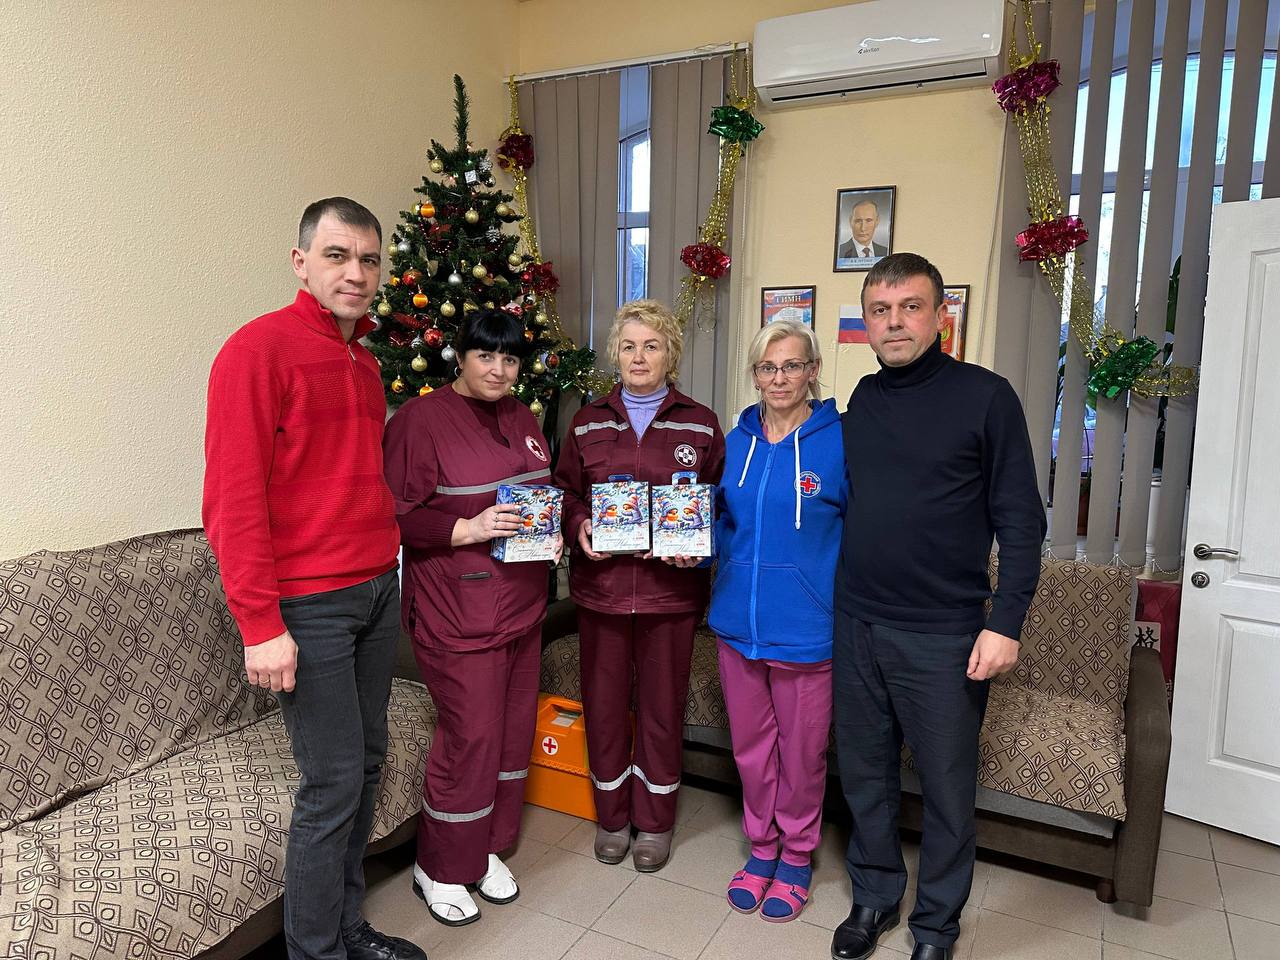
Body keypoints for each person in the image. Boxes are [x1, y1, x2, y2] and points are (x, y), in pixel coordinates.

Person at [203, 197, 425, 960]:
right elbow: (231, 499)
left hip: (377, 589)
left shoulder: (366, 360)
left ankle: (345, 928)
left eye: (369, 260)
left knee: (366, 766)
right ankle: (315, 952)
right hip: (311, 606)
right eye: (337, 255)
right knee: (331, 783)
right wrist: (260, 624)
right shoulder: (257, 350)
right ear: (301, 263)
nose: (356, 273)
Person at [830, 253, 1046, 960]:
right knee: (865, 775)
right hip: (856, 621)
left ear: (940, 315)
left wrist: (1005, 622)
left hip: (944, 634)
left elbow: (1022, 521)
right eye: (881, 310)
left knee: (948, 791)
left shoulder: (986, 396)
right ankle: (874, 896)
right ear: (867, 322)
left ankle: (935, 928)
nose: (895, 322)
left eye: (910, 307)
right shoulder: (863, 399)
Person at [382, 309, 562, 928]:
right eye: (486, 355)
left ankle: (484, 848)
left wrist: (549, 535)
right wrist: (466, 527)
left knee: (511, 736)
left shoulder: (522, 417)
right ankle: (439, 866)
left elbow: (536, 497)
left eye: (510, 359)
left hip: (522, 606)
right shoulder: (418, 422)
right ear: (459, 356)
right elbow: (393, 514)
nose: (499, 369)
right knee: (472, 738)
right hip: (457, 612)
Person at [552, 299, 725, 872]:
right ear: (615, 354)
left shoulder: (700, 422)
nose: (639, 356)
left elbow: (718, 503)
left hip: (670, 596)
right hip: (601, 593)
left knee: (660, 709)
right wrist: (579, 526)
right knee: (603, 708)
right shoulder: (588, 421)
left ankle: (654, 821)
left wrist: (694, 541)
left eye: (651, 345)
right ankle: (612, 816)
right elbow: (566, 493)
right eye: (628, 346)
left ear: (670, 353)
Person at [709, 319, 846, 923]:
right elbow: (720, 522)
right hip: (736, 625)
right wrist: (697, 550)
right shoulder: (735, 441)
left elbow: (861, 531)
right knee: (751, 750)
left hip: (808, 631)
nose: (780, 378)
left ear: (813, 370)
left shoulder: (839, 442)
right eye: (768, 367)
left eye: (792, 365)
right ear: (755, 375)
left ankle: (796, 854)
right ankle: (761, 847)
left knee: (803, 754)